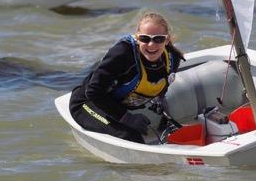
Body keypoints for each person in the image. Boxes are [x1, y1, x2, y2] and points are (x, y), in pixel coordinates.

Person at [69, 12, 185, 143]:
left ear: (167, 39)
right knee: (131, 136)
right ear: (137, 38)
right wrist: (126, 118)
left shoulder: (173, 58)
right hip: (87, 104)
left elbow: (163, 86)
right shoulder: (122, 54)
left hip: (117, 105)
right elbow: (93, 92)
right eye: (145, 39)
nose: (151, 45)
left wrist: (160, 105)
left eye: (158, 39)